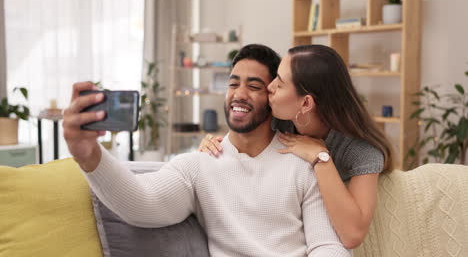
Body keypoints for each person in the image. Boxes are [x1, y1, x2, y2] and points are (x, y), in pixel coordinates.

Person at [63, 44, 351, 257]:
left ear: (273, 96)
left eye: (254, 86)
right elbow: (141, 204)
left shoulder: (304, 161)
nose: (239, 94)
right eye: (233, 84)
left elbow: (327, 244)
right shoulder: (199, 164)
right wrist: (88, 152)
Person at [198, 44, 394, 249]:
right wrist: (216, 146)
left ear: (306, 104)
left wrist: (320, 157)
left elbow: (352, 235)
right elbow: (243, 142)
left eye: (279, 84)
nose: (269, 87)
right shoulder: (280, 122)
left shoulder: (362, 151)